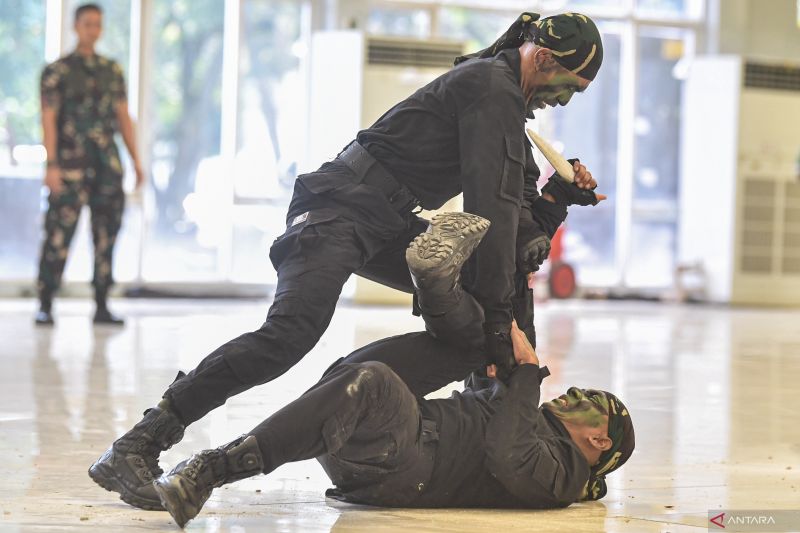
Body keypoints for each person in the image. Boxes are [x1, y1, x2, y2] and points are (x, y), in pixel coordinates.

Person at [88, 11, 607, 509]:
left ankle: (394, 393)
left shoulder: (505, 105)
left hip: (384, 218)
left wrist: (557, 198)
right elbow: (490, 214)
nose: (564, 102)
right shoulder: (492, 88)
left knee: (481, 315)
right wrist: (502, 332)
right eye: (571, 87)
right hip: (338, 205)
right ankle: (139, 443)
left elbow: (513, 237)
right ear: (542, 59)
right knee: (292, 333)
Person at [148, 218, 634, 528]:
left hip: (407, 463)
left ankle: (210, 471)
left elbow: (506, 452)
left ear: (599, 443)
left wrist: (526, 376)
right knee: (363, 370)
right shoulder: (540, 428)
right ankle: (438, 287)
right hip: (396, 442)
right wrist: (552, 210)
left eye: (592, 401)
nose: (573, 392)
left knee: (372, 383)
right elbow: (503, 390)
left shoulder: (563, 478)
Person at [35, 3, 145, 326]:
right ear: (75, 26)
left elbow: (124, 117)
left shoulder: (112, 71)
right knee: (58, 235)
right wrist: (51, 164)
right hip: (69, 166)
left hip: (107, 167)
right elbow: (49, 118)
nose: (92, 30)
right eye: (87, 24)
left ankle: (101, 304)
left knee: (106, 236)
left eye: (98, 24)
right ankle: (45, 302)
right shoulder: (57, 72)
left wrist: (136, 159)